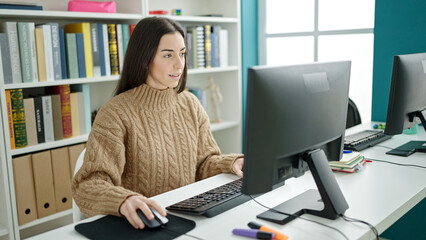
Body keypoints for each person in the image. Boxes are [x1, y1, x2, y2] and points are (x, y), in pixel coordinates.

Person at [71, 17, 244, 230]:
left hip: (188, 219)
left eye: (182, 53)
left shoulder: (190, 103)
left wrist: (232, 163)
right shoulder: (115, 112)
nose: (179, 64)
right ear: (144, 59)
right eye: (168, 55)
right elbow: (88, 185)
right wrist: (123, 201)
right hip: (144, 226)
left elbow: (202, 164)